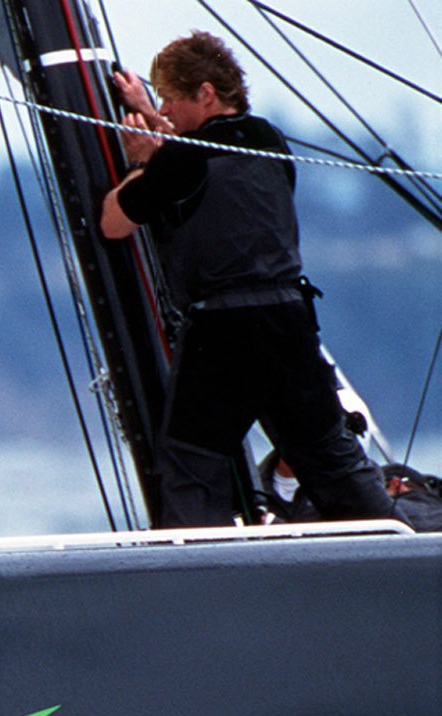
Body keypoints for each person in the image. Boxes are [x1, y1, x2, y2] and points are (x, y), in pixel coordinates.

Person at [101, 32, 393, 529]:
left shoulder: (179, 160)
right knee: (332, 461)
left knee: (191, 468)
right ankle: (398, 545)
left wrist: (140, 162)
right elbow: (206, 152)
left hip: (223, 333)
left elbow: (113, 222)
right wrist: (150, 117)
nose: (164, 110)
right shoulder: (269, 140)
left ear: (206, 93)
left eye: (169, 98)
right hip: (289, 323)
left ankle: (195, 565)